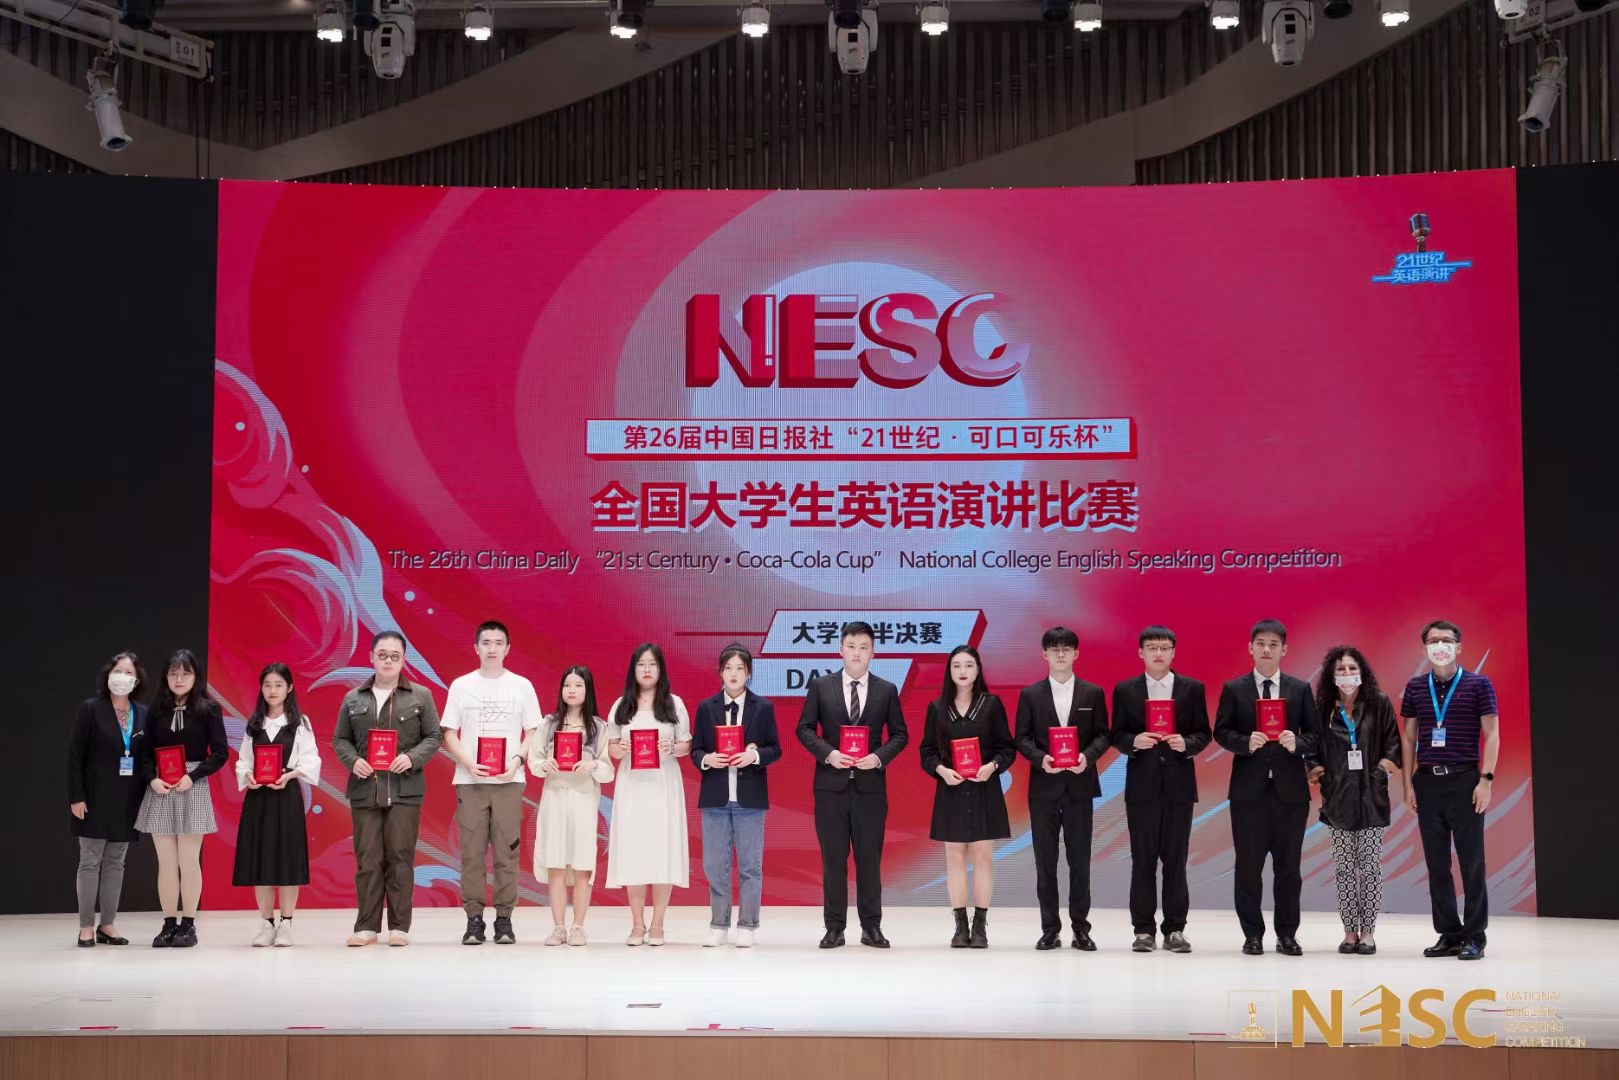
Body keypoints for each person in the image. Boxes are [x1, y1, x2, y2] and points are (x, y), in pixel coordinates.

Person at [796, 621, 909, 949]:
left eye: (863, 647)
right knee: (833, 859)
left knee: (869, 860)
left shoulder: (886, 690)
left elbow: (900, 735)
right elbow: (804, 729)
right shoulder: (821, 686)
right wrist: (828, 754)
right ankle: (834, 927)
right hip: (830, 788)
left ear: (873, 652)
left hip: (869, 788)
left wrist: (878, 757)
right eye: (851, 646)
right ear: (840, 650)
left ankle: (871, 927)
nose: (857, 653)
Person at [1213, 619, 1321, 957]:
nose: (1266, 649)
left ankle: (1287, 935)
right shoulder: (1235, 689)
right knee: (1248, 868)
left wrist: (1297, 743)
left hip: (1291, 794)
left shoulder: (1299, 689)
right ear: (1250, 648)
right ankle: (1252, 934)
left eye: (1273, 644)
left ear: (1284, 650)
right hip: (1249, 794)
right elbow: (1221, 731)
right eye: (1260, 643)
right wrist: (1245, 742)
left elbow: (1316, 736)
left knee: (1289, 869)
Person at [331, 630, 442, 948]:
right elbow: (340, 739)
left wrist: (411, 758)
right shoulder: (354, 698)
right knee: (367, 859)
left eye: (395, 656)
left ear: (403, 659)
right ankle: (366, 927)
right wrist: (353, 761)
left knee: (400, 857)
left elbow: (434, 736)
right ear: (372, 657)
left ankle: (399, 927)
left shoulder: (420, 695)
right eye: (382, 655)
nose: (388, 661)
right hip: (365, 789)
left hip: (405, 790)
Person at [1400, 619, 1500, 962]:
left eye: (1446, 640)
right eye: (1433, 640)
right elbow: (1408, 738)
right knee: (1437, 863)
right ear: (1424, 647)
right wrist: (1408, 785)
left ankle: (1475, 935)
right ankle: (1449, 933)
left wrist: (1486, 780)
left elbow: (1492, 734)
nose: (1439, 645)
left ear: (1458, 646)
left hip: (1465, 781)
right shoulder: (1416, 687)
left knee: (1472, 861)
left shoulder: (1478, 684)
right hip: (1427, 782)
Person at [439, 620, 543, 946]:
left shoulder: (522, 686)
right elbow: (448, 732)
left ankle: (503, 919)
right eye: (486, 642)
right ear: (476, 648)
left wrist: (517, 760)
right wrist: (468, 763)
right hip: (470, 781)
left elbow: (534, 730)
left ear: (508, 648)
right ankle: (473, 920)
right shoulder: (461, 685)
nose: (492, 648)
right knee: (471, 854)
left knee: (506, 853)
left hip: (509, 781)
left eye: (498, 643)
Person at [1109, 625, 1211, 954]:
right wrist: (1133, 741)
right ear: (1141, 652)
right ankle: (1143, 930)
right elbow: (1116, 733)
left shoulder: (1191, 688)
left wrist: (1188, 743)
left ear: (1173, 652)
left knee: (1176, 860)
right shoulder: (1126, 690)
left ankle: (1175, 929)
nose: (1158, 653)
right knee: (1142, 860)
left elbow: (1204, 732)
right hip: (1142, 787)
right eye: (1152, 647)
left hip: (1179, 786)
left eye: (1164, 647)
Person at [1014, 626, 1111, 952]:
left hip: (1080, 785)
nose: (1060, 654)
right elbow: (1021, 738)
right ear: (1044, 654)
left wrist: (1088, 757)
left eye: (1066, 648)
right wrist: (1041, 759)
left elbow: (1103, 735)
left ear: (1076, 654)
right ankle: (1049, 929)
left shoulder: (1092, 693)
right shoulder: (1030, 694)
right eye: (1054, 648)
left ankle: (1081, 929)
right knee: (1045, 861)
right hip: (1044, 786)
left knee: (1080, 861)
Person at [1305, 645, 1401, 956]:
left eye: (1352, 668)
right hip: (1338, 799)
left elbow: (1393, 744)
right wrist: (1323, 778)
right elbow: (1311, 749)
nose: (1347, 673)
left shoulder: (1378, 703)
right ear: (1331, 675)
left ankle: (1368, 932)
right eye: (1340, 669)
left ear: (1362, 672)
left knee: (1370, 868)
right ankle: (1349, 932)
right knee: (1344, 869)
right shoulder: (1322, 709)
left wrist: (1380, 773)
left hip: (1372, 797)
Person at [920, 645, 1014, 949]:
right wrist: (942, 771)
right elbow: (927, 751)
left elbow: (1007, 748)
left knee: (983, 857)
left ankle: (980, 926)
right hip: (951, 790)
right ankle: (960, 926)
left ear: (978, 670)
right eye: (957, 666)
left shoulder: (991, 704)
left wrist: (992, 767)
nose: (963, 671)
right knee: (954, 858)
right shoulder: (938, 708)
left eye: (969, 665)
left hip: (985, 788)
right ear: (949, 671)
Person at [135, 648, 229, 948]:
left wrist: (194, 775)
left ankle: (188, 924)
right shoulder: (156, 711)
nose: (179, 678)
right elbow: (144, 752)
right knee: (166, 862)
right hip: (161, 787)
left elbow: (221, 752)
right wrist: (152, 779)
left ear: (195, 676)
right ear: (165, 677)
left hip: (192, 786)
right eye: (173, 673)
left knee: (189, 861)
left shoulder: (209, 709)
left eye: (185, 673)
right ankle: (168, 924)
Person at [691, 643, 782, 948]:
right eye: (728, 668)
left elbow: (775, 749)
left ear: (749, 673)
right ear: (720, 672)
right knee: (715, 866)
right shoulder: (706, 707)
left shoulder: (763, 707)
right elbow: (696, 750)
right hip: (715, 797)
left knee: (750, 866)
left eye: (739, 668)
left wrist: (754, 756)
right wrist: (708, 759)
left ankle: (748, 924)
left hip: (750, 798)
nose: (733, 673)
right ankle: (719, 924)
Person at [605, 643, 692, 946]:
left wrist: (673, 748)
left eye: (652, 664)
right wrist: (620, 749)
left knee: (662, 850)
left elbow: (686, 744)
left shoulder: (673, 704)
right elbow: (611, 747)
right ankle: (637, 924)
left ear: (660, 670)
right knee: (635, 850)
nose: (646, 669)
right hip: (632, 785)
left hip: (663, 784)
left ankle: (657, 924)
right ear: (633, 669)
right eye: (641, 664)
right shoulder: (622, 705)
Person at [232, 662, 321, 948]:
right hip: (258, 799)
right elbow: (243, 761)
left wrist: (290, 776)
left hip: (286, 796)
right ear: (261, 688)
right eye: (268, 685)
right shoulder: (254, 723)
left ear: (289, 688)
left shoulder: (300, 723)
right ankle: (266, 924)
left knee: (287, 859)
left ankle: (286, 924)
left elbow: (311, 760)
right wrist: (248, 776)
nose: (273, 690)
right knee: (261, 859)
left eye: (278, 685)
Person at [67, 652, 149, 948]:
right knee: (90, 861)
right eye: (118, 670)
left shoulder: (143, 713)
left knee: (116, 862)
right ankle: (86, 926)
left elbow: (146, 756)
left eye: (128, 672)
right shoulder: (91, 709)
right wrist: (76, 796)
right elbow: (75, 755)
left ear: (136, 680)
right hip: (93, 797)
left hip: (127, 799)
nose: (122, 676)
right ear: (108, 674)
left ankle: (108, 924)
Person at [530, 665, 613, 946]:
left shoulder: (599, 727)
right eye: (567, 685)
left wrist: (593, 765)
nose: (572, 690)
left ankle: (578, 926)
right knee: (555, 863)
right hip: (554, 799)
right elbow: (534, 761)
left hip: (583, 801)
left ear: (588, 690)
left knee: (582, 865)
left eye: (578, 685)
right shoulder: (548, 724)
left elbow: (608, 770)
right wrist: (545, 764)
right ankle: (558, 927)